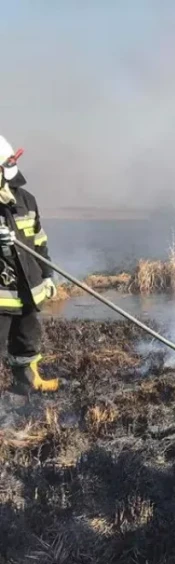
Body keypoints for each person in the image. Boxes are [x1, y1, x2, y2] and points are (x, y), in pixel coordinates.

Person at [0, 135, 59, 393]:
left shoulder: (26, 201)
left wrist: (47, 275)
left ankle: (28, 382)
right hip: (2, 295)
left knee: (27, 339)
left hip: (27, 290)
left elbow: (39, 241)